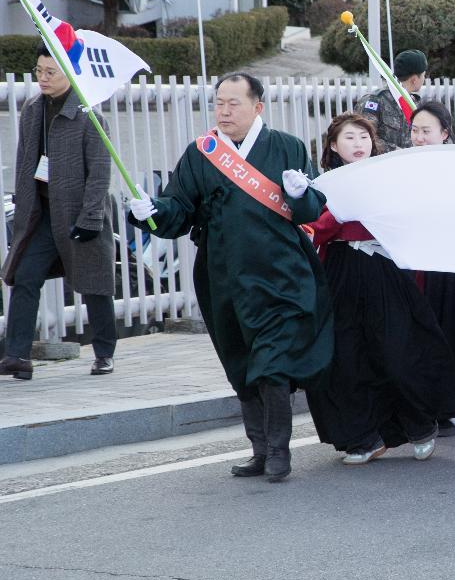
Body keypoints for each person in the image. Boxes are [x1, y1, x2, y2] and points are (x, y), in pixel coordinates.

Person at [127, 73, 332, 483]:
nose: (223, 111)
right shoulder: (201, 153)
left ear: (257, 107)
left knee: (271, 363)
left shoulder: (286, 147)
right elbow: (178, 209)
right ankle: (258, 450)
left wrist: (300, 194)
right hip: (223, 276)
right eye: (219, 102)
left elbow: (312, 211)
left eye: (233, 103)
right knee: (240, 361)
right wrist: (150, 211)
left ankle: (278, 452)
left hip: (280, 274)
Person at [303, 113, 455, 464]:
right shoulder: (324, 182)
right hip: (341, 271)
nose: (358, 144)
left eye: (363, 137)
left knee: (398, 347)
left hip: (382, 269)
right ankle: (363, 436)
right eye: (349, 138)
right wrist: (311, 204)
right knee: (347, 355)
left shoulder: (388, 176)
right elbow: (317, 227)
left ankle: (420, 425)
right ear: (333, 145)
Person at [1, 47, 117, 381]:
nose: (43, 78)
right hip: (42, 213)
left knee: (94, 284)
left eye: (51, 72)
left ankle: (105, 353)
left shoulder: (88, 113)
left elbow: (100, 171)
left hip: (79, 213)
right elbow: (26, 161)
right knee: (24, 275)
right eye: (39, 70)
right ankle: (17, 355)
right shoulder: (33, 108)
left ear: (70, 73)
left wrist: (92, 217)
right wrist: (24, 209)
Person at [409, 101, 455, 437]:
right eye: (415, 131)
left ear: (445, 134)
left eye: (426, 131)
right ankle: (423, 406)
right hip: (414, 264)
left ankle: (451, 409)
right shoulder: (402, 165)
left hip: (452, 265)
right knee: (421, 336)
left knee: (451, 335)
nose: (418, 137)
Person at [359, 49, 427, 152]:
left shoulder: (417, 104)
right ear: (414, 79)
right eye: (423, 75)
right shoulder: (375, 101)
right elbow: (364, 137)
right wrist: (397, 152)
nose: (424, 79)